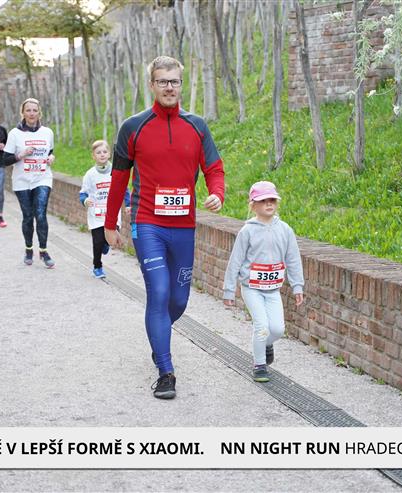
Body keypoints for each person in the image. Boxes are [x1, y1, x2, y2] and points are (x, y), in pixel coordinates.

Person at [104, 55, 225, 399]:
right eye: (162, 81)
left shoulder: (197, 126)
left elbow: (214, 168)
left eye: (174, 81)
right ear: (152, 85)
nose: (169, 87)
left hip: (184, 226)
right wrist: (110, 223)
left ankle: (158, 335)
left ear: (180, 84)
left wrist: (216, 193)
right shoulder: (133, 127)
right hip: (148, 223)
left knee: (178, 299)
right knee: (158, 292)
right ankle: (165, 371)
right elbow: (119, 179)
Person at [223, 181, 304, 382]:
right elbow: (235, 261)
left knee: (277, 329)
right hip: (252, 288)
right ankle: (259, 365)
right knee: (261, 326)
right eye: (263, 200)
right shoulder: (247, 231)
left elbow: (293, 259)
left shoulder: (285, 230)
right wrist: (229, 290)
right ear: (253, 205)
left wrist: (297, 286)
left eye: (272, 200)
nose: (269, 204)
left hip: (273, 289)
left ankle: (266, 344)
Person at [2, 98, 56, 268]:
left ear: (39, 112)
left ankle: (44, 251)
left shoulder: (47, 132)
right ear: (23, 113)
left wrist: (51, 157)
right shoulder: (15, 134)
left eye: (34, 110)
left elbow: (50, 151)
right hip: (22, 180)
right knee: (28, 216)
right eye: (28, 110)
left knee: (40, 214)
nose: (32, 113)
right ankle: (28, 249)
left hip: (42, 178)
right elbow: (5, 160)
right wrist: (21, 154)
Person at [79, 140, 130, 279]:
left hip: (113, 214)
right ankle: (97, 267)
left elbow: (124, 189)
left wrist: (128, 204)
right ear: (93, 156)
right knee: (97, 242)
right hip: (96, 215)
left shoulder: (116, 171)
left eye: (104, 152)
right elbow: (83, 193)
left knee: (110, 238)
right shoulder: (90, 175)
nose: (102, 154)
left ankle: (106, 244)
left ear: (109, 154)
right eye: (98, 152)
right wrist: (85, 200)